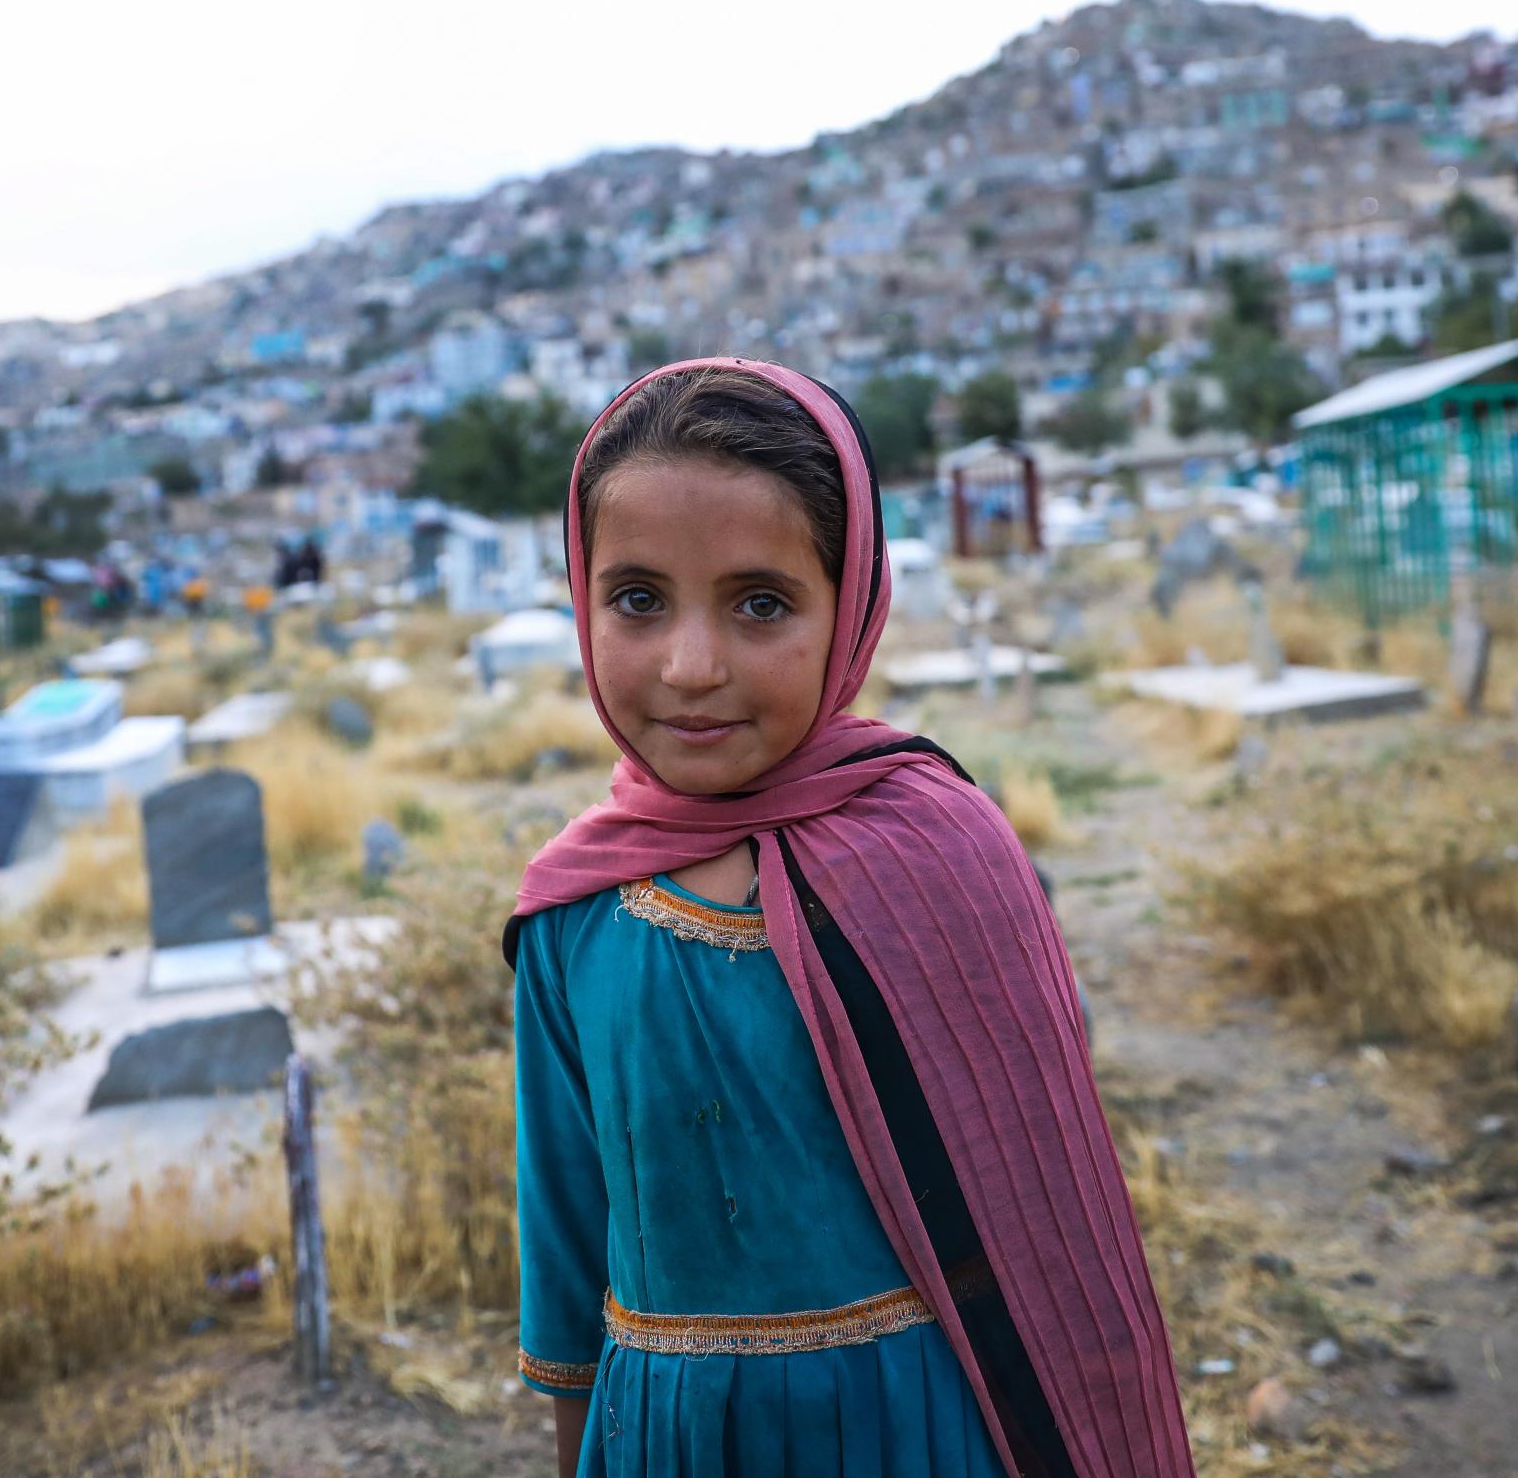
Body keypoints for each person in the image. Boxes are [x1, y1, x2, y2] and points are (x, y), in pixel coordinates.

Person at [507, 358, 1196, 1478]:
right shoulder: (573, 906)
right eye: (637, 598)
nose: (691, 665)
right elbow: (563, 1238)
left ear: (854, 602)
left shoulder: (943, 857)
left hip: (916, 1428)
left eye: (761, 603)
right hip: (669, 1441)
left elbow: (1046, 1218)